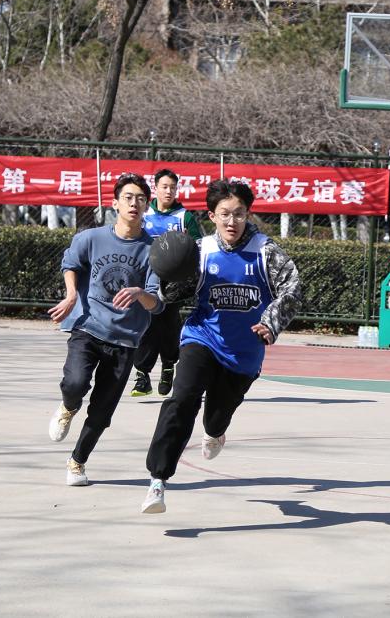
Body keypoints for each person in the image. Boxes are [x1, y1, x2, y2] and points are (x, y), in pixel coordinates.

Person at [140, 180, 302, 514]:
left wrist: (271, 322)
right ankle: (158, 480)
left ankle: (215, 432)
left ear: (248, 214)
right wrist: (169, 275)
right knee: (182, 400)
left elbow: (292, 288)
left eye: (239, 214)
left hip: (244, 352)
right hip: (202, 338)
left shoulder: (265, 250)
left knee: (215, 419)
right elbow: (173, 295)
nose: (232, 221)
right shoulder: (200, 250)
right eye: (225, 214)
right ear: (212, 216)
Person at [46, 173, 164, 486]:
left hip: (125, 339)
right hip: (88, 327)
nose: (134, 203)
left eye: (141, 199)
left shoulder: (153, 250)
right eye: (128, 197)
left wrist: (140, 293)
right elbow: (70, 263)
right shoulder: (91, 238)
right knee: (75, 383)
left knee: (101, 412)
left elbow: (157, 304)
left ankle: (77, 462)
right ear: (115, 203)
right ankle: (68, 406)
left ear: (147, 206)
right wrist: (72, 294)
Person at [130, 169, 204, 397]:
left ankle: (169, 366)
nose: (169, 191)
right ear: (155, 188)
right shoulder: (144, 213)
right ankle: (142, 375)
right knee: (147, 324)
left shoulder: (185, 217)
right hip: (146, 278)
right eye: (164, 187)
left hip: (173, 281)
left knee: (168, 324)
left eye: (173, 187)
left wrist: (187, 245)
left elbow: (197, 248)